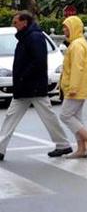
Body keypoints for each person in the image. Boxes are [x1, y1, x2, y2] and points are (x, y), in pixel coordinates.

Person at [0, 11, 72, 161]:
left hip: (32, 86)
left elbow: (38, 61)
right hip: (26, 87)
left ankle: (63, 144)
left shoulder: (34, 37)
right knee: (12, 117)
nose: (14, 26)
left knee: (46, 116)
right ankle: (62, 144)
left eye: (16, 22)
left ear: (24, 22)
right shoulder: (28, 37)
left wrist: (22, 76)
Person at [59, 16, 87, 158]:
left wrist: (73, 88)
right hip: (79, 87)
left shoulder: (76, 45)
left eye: (67, 27)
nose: (64, 29)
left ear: (74, 27)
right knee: (76, 117)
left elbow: (77, 68)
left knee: (65, 115)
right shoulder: (78, 43)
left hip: (76, 88)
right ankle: (81, 149)